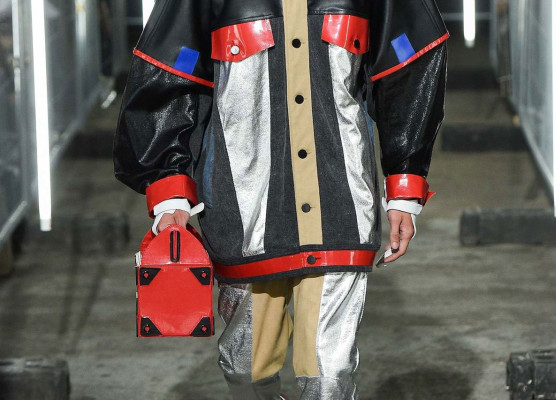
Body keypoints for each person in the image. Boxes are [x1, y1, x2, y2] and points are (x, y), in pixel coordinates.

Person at [114, 0, 448, 398]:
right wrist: (170, 192)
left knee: (331, 375)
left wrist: (405, 187)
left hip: (341, 204)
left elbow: (407, 66)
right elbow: (170, 72)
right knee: (246, 370)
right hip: (244, 213)